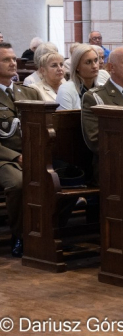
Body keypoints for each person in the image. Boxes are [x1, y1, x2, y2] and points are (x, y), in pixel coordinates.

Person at [0, 42, 41, 257]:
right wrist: (16, 156)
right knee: (17, 184)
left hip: (30, 155)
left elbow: (44, 126)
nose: (12, 63)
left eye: (13, 59)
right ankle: (20, 235)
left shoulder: (28, 92)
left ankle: (44, 232)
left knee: (62, 181)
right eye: (6, 59)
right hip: (4, 158)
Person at [56, 44, 103, 110]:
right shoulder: (66, 90)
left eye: (96, 60)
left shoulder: (102, 87)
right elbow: (64, 119)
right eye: (88, 62)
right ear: (77, 66)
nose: (94, 66)